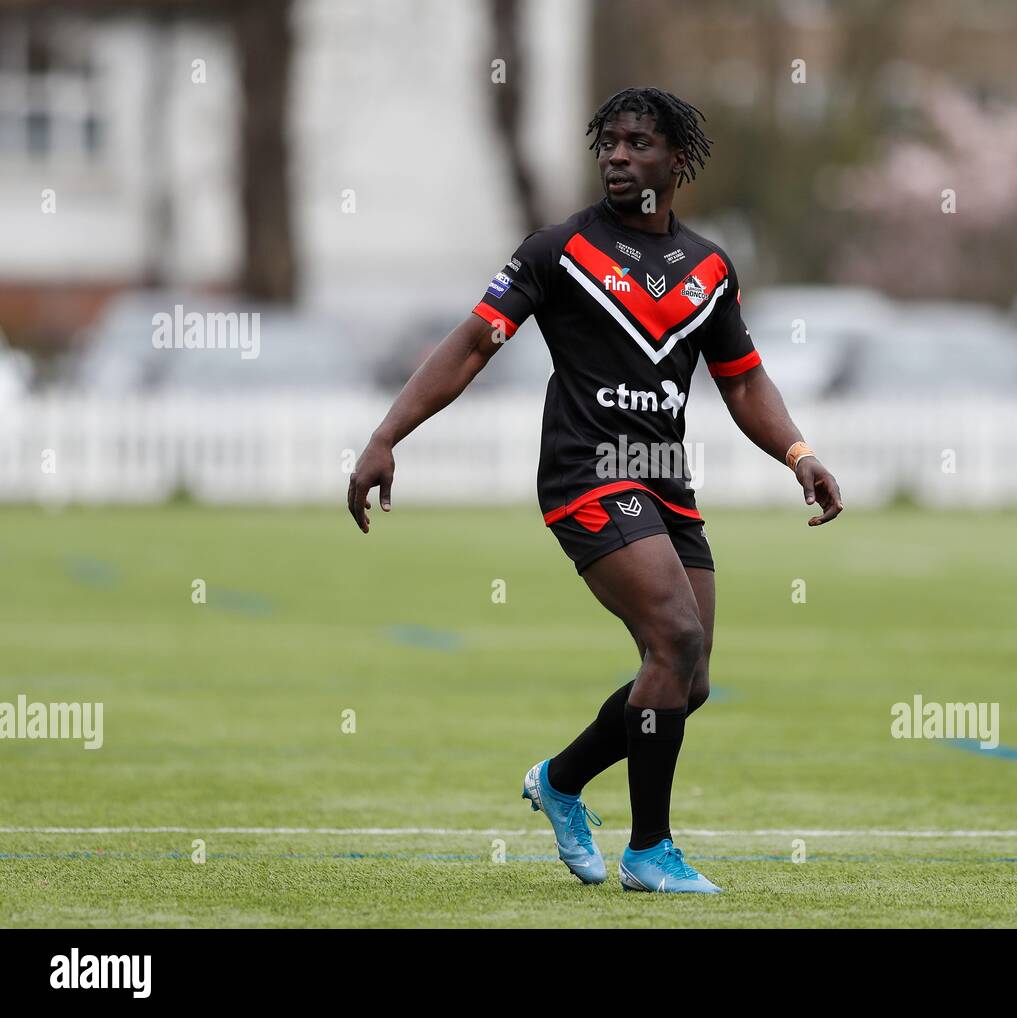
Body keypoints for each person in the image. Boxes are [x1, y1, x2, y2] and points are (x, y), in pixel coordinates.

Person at [348, 86, 843, 893]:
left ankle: (562, 781)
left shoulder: (710, 268)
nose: (618, 155)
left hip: (665, 484)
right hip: (587, 472)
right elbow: (473, 345)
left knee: (691, 677)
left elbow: (746, 385)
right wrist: (384, 437)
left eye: (638, 143)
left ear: (675, 161)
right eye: (609, 142)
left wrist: (798, 452)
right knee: (674, 639)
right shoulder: (558, 250)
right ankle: (651, 851)